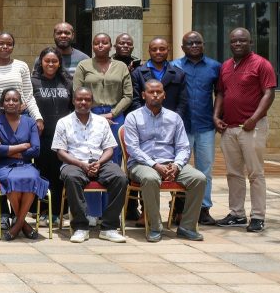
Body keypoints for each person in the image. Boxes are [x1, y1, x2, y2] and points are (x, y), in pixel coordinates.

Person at [124, 79, 206, 242]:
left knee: (199, 179)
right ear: (143, 95)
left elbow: (183, 147)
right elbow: (133, 149)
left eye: (159, 92)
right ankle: (155, 227)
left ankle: (187, 227)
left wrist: (176, 165)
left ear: (164, 95)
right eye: (151, 92)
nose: (155, 95)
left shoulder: (174, 118)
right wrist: (155, 165)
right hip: (142, 164)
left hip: (171, 163)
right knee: (150, 178)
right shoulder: (133, 117)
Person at [213, 28, 276, 232]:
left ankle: (258, 216)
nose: (237, 44)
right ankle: (237, 214)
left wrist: (254, 118)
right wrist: (216, 116)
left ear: (251, 42)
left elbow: (269, 93)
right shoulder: (226, 66)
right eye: (234, 41)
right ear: (230, 44)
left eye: (242, 40)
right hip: (229, 128)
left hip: (252, 127)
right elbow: (221, 93)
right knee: (233, 173)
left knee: (255, 173)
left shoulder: (261, 64)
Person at [52, 87, 128, 244]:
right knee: (72, 178)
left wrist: (99, 163)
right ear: (73, 101)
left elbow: (109, 149)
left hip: (100, 162)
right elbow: (60, 152)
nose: (83, 102)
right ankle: (80, 227)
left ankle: (109, 228)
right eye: (79, 99)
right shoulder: (63, 122)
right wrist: (81, 164)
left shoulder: (101, 122)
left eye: (87, 100)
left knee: (120, 178)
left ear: (92, 102)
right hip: (74, 162)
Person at [173, 31, 222, 225]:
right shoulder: (174, 66)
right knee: (178, 168)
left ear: (203, 45)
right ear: (182, 47)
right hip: (181, 127)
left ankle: (204, 209)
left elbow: (220, 94)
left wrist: (217, 116)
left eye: (198, 43)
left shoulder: (214, 67)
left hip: (205, 126)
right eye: (189, 43)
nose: (194, 46)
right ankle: (179, 209)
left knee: (205, 170)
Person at [0, 88, 50, 241]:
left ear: (21, 104)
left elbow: (36, 150)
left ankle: (17, 225)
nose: (11, 103)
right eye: (7, 100)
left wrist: (7, 149)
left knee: (31, 178)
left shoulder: (30, 122)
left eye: (15, 100)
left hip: (26, 165)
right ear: (2, 103)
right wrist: (23, 146)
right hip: (3, 167)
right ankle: (24, 225)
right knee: (12, 181)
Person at [0, 32, 42, 151]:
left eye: (9, 44)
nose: (5, 46)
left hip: (19, 118)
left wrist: (38, 118)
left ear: (13, 47)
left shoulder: (22, 66)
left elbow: (29, 96)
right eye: (1, 43)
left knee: (22, 155)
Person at [73, 33, 133, 161]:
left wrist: (112, 114)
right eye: (96, 43)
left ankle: (114, 179)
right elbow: (77, 93)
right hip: (89, 113)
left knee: (115, 151)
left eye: (104, 42)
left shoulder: (121, 66)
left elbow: (128, 95)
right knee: (91, 150)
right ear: (92, 46)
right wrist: (95, 117)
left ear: (111, 46)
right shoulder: (83, 65)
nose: (100, 45)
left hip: (116, 114)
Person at [31, 47, 72, 225]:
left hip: (63, 137)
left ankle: (57, 213)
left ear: (59, 63)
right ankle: (40, 211)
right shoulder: (33, 82)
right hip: (41, 136)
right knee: (42, 173)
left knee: (58, 175)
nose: (50, 64)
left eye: (54, 61)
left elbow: (73, 107)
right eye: (47, 60)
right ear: (41, 62)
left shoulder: (67, 81)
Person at [130, 37, 190, 126]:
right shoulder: (137, 73)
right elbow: (135, 100)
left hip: (171, 121)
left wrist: (176, 118)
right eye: (154, 49)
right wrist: (144, 118)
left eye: (162, 49)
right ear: (149, 51)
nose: (158, 52)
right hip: (145, 122)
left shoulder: (179, 73)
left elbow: (183, 101)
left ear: (168, 50)